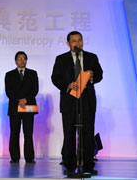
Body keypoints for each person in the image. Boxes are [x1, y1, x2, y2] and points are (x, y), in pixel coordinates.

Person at [51, 31, 103, 175]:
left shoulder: (92, 57)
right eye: (74, 41)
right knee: (69, 133)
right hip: (69, 101)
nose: (77, 43)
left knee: (87, 132)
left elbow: (100, 74)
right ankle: (69, 165)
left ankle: (87, 165)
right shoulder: (61, 59)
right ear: (68, 43)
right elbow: (55, 78)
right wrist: (68, 85)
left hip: (87, 101)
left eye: (80, 40)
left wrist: (92, 77)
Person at [5, 51, 39, 163]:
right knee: (14, 133)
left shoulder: (33, 73)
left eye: (24, 58)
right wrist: (19, 101)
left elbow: (35, 90)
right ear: (15, 61)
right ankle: (14, 157)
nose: (22, 60)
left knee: (28, 133)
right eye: (19, 58)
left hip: (28, 107)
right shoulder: (9, 74)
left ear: (26, 60)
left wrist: (26, 100)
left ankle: (29, 157)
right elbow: (8, 92)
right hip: (15, 107)